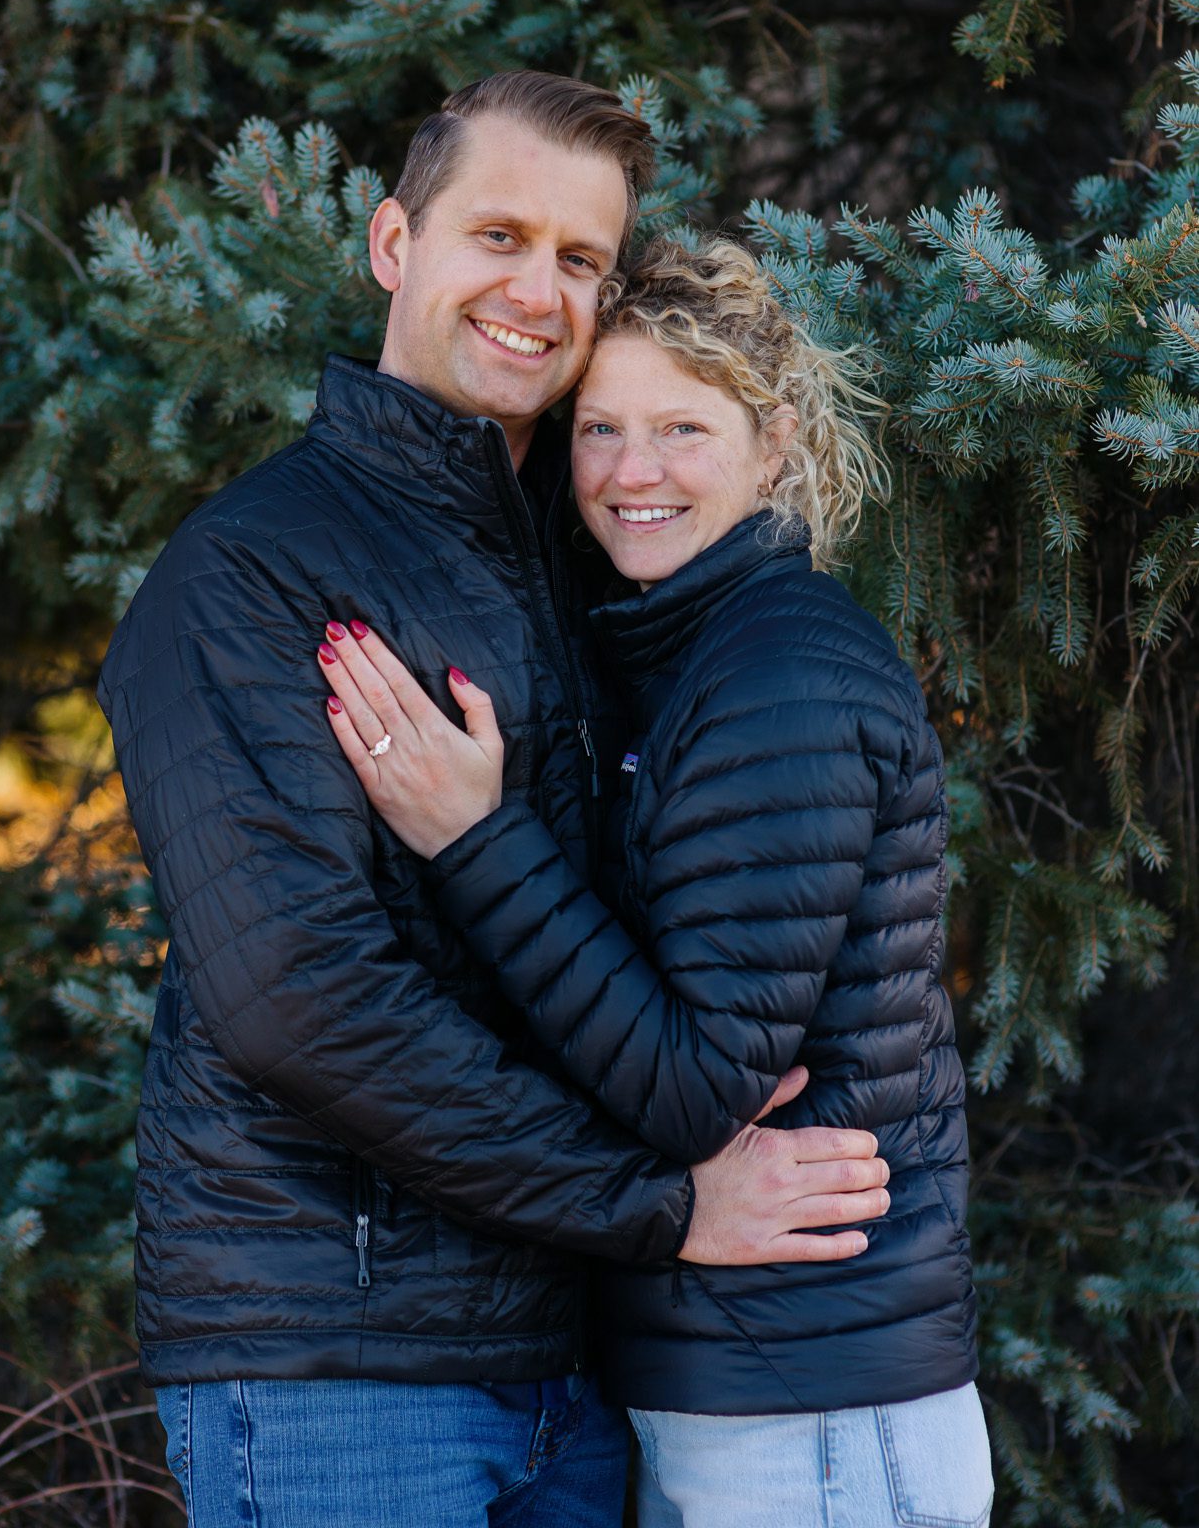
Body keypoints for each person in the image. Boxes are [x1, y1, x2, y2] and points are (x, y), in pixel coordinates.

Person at [97, 78, 892, 1528]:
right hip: (342, 1365)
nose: (538, 291)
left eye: (579, 259)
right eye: (499, 236)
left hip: (564, 1361)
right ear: (395, 243)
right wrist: (658, 1207)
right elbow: (298, 994)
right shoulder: (252, 573)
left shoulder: (592, 551)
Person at [318, 231, 991, 1528]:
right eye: (600, 430)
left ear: (773, 441)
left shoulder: (777, 676)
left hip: (813, 1396)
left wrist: (474, 838)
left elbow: (695, 1089)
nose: (631, 474)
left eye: (681, 429)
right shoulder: (679, 659)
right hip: (736, 1376)